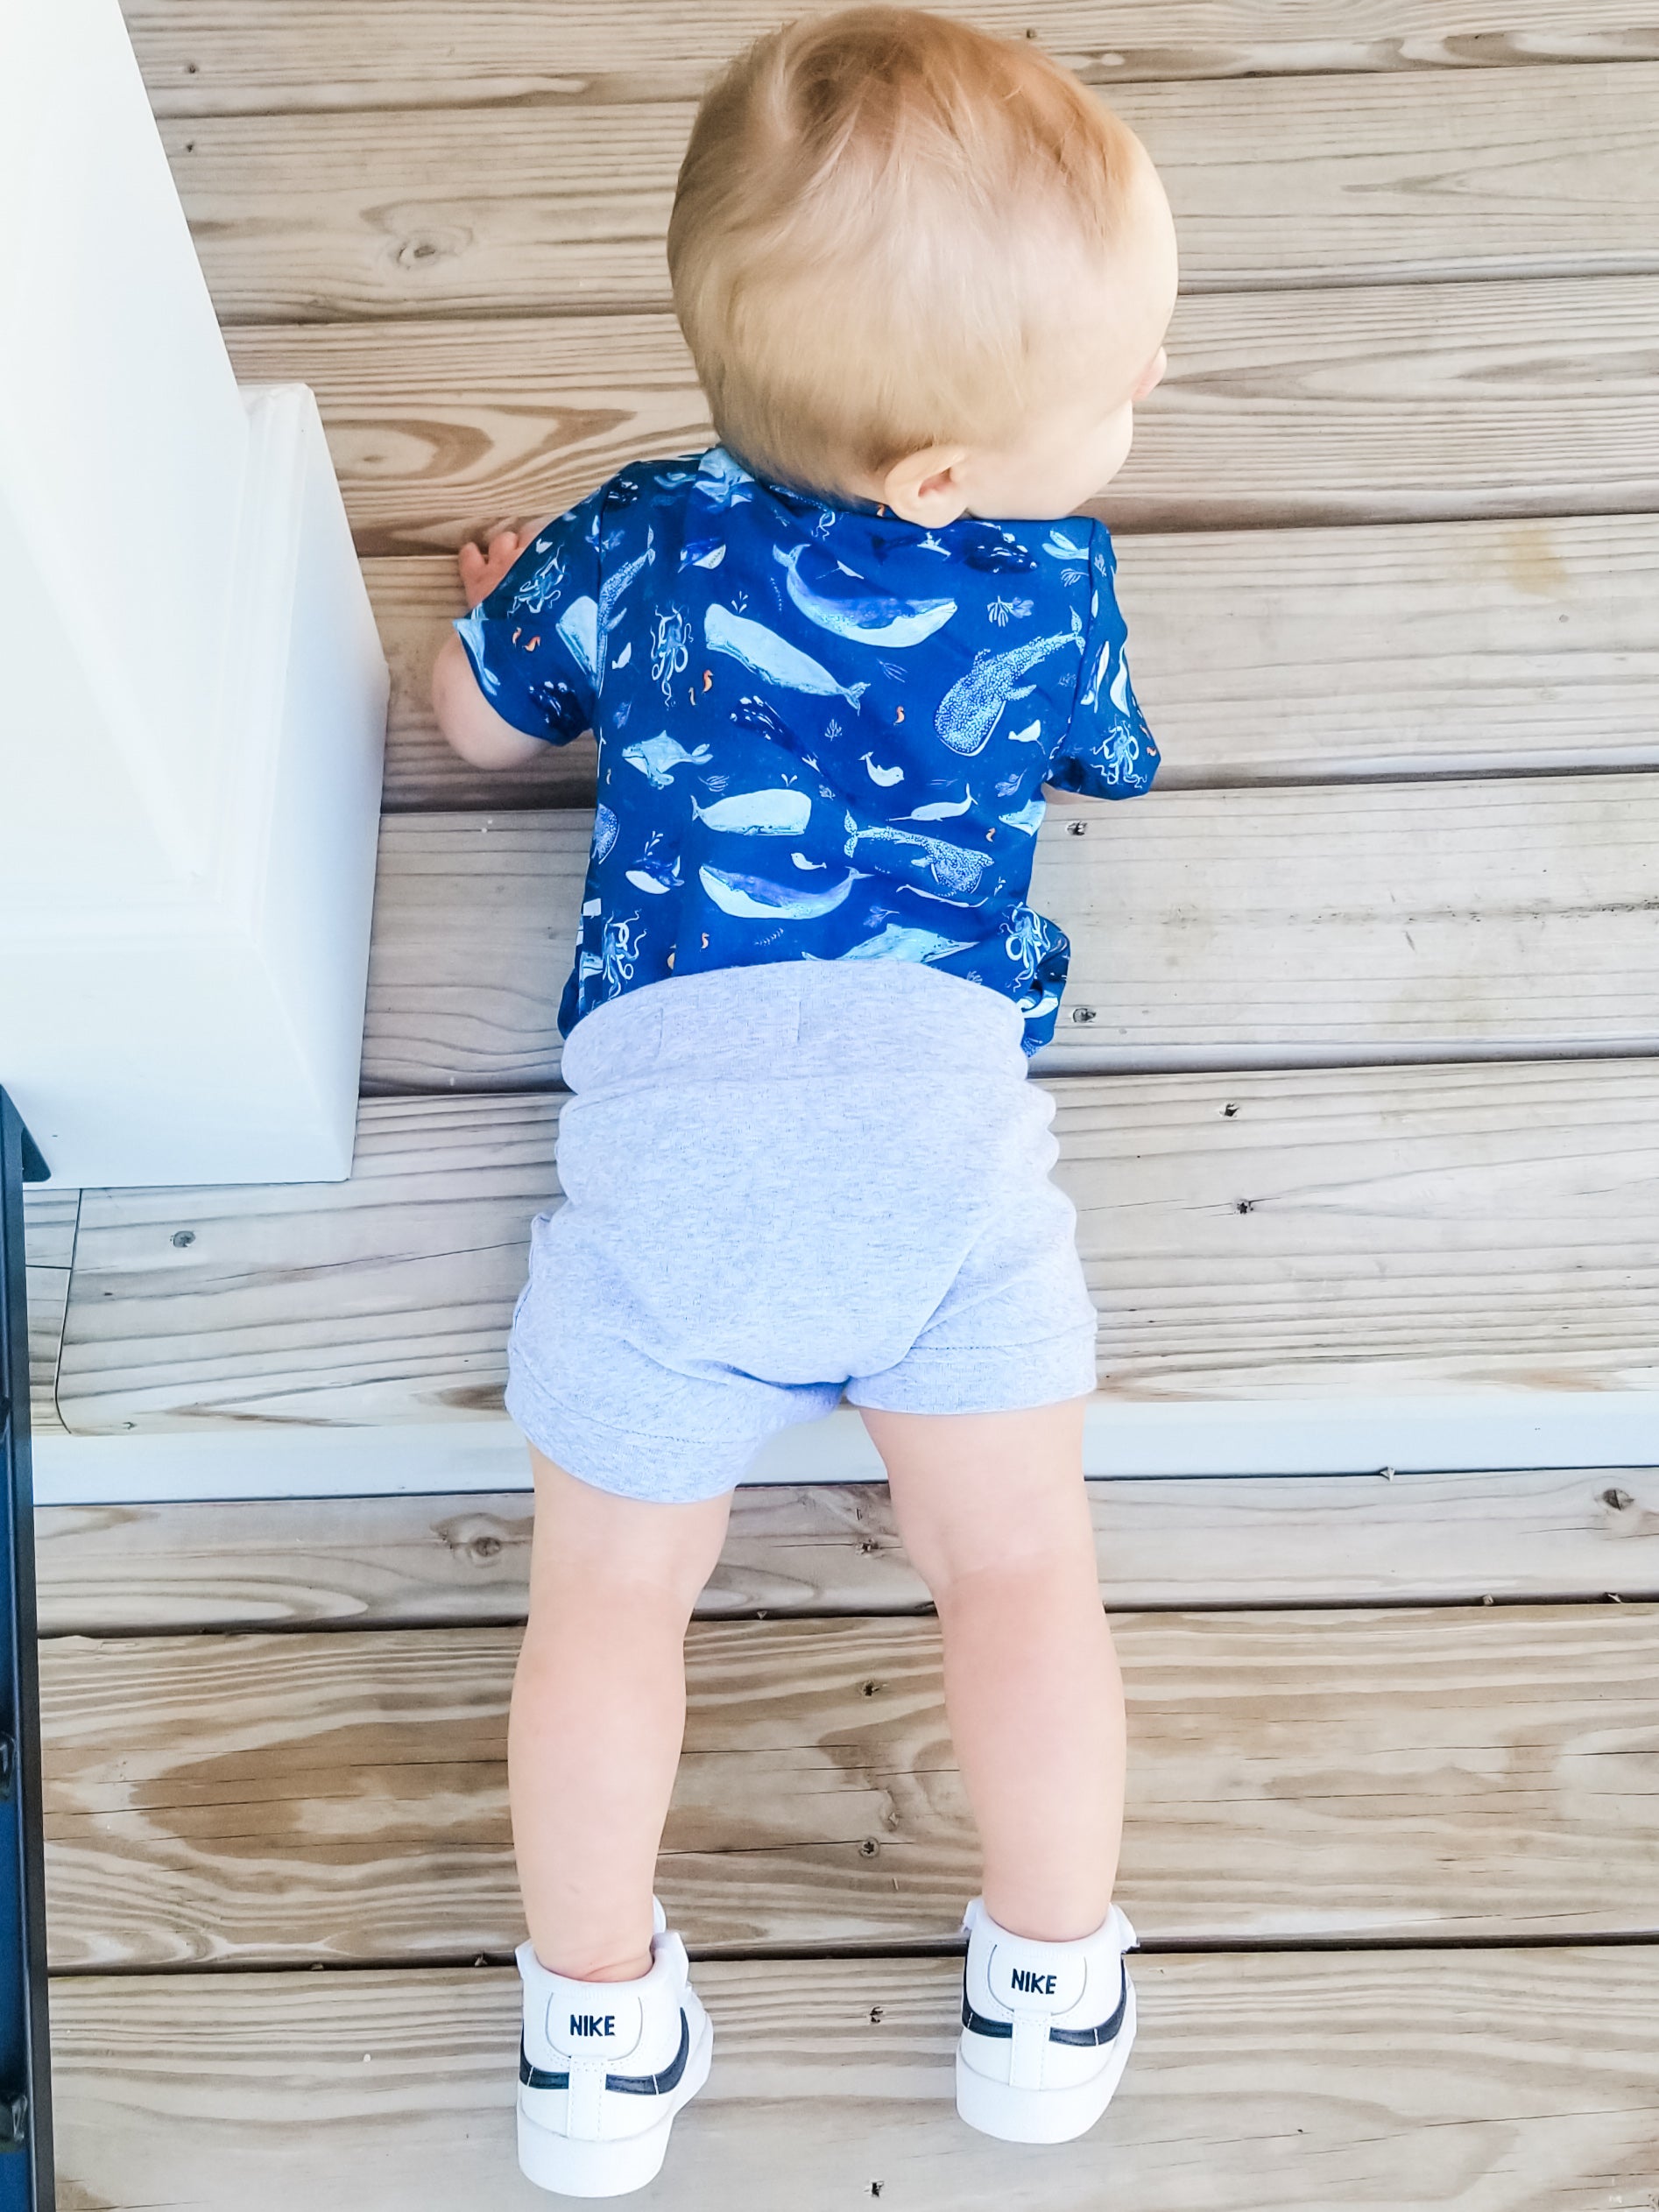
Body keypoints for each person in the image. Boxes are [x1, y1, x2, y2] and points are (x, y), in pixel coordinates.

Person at [430, 7, 1177, 2194]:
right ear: (939, 478)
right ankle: (1047, 1984)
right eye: (1120, 381)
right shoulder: (1048, 579)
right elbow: (1110, 756)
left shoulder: (639, 530)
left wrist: (510, 618)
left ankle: (591, 2030)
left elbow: (464, 723)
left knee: (606, 1609)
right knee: (1015, 1568)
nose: (1146, 388)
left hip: (665, 1162)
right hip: (938, 1154)